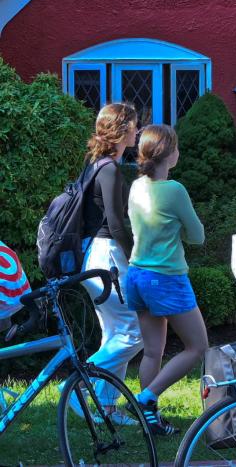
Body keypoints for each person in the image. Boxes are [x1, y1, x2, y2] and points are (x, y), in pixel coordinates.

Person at [126, 124, 206, 436]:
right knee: (197, 346)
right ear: (168, 155)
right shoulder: (174, 190)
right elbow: (198, 236)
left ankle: (150, 421)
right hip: (166, 278)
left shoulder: (136, 187)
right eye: (176, 147)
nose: (179, 152)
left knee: (151, 351)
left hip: (136, 276)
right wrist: (180, 230)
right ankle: (146, 398)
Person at [71, 102, 143, 425]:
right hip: (109, 255)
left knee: (114, 332)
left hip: (95, 255)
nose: (138, 131)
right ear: (122, 129)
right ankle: (76, 387)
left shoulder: (96, 164)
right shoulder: (110, 169)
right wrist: (135, 257)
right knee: (134, 332)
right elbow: (115, 223)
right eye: (135, 126)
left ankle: (107, 406)